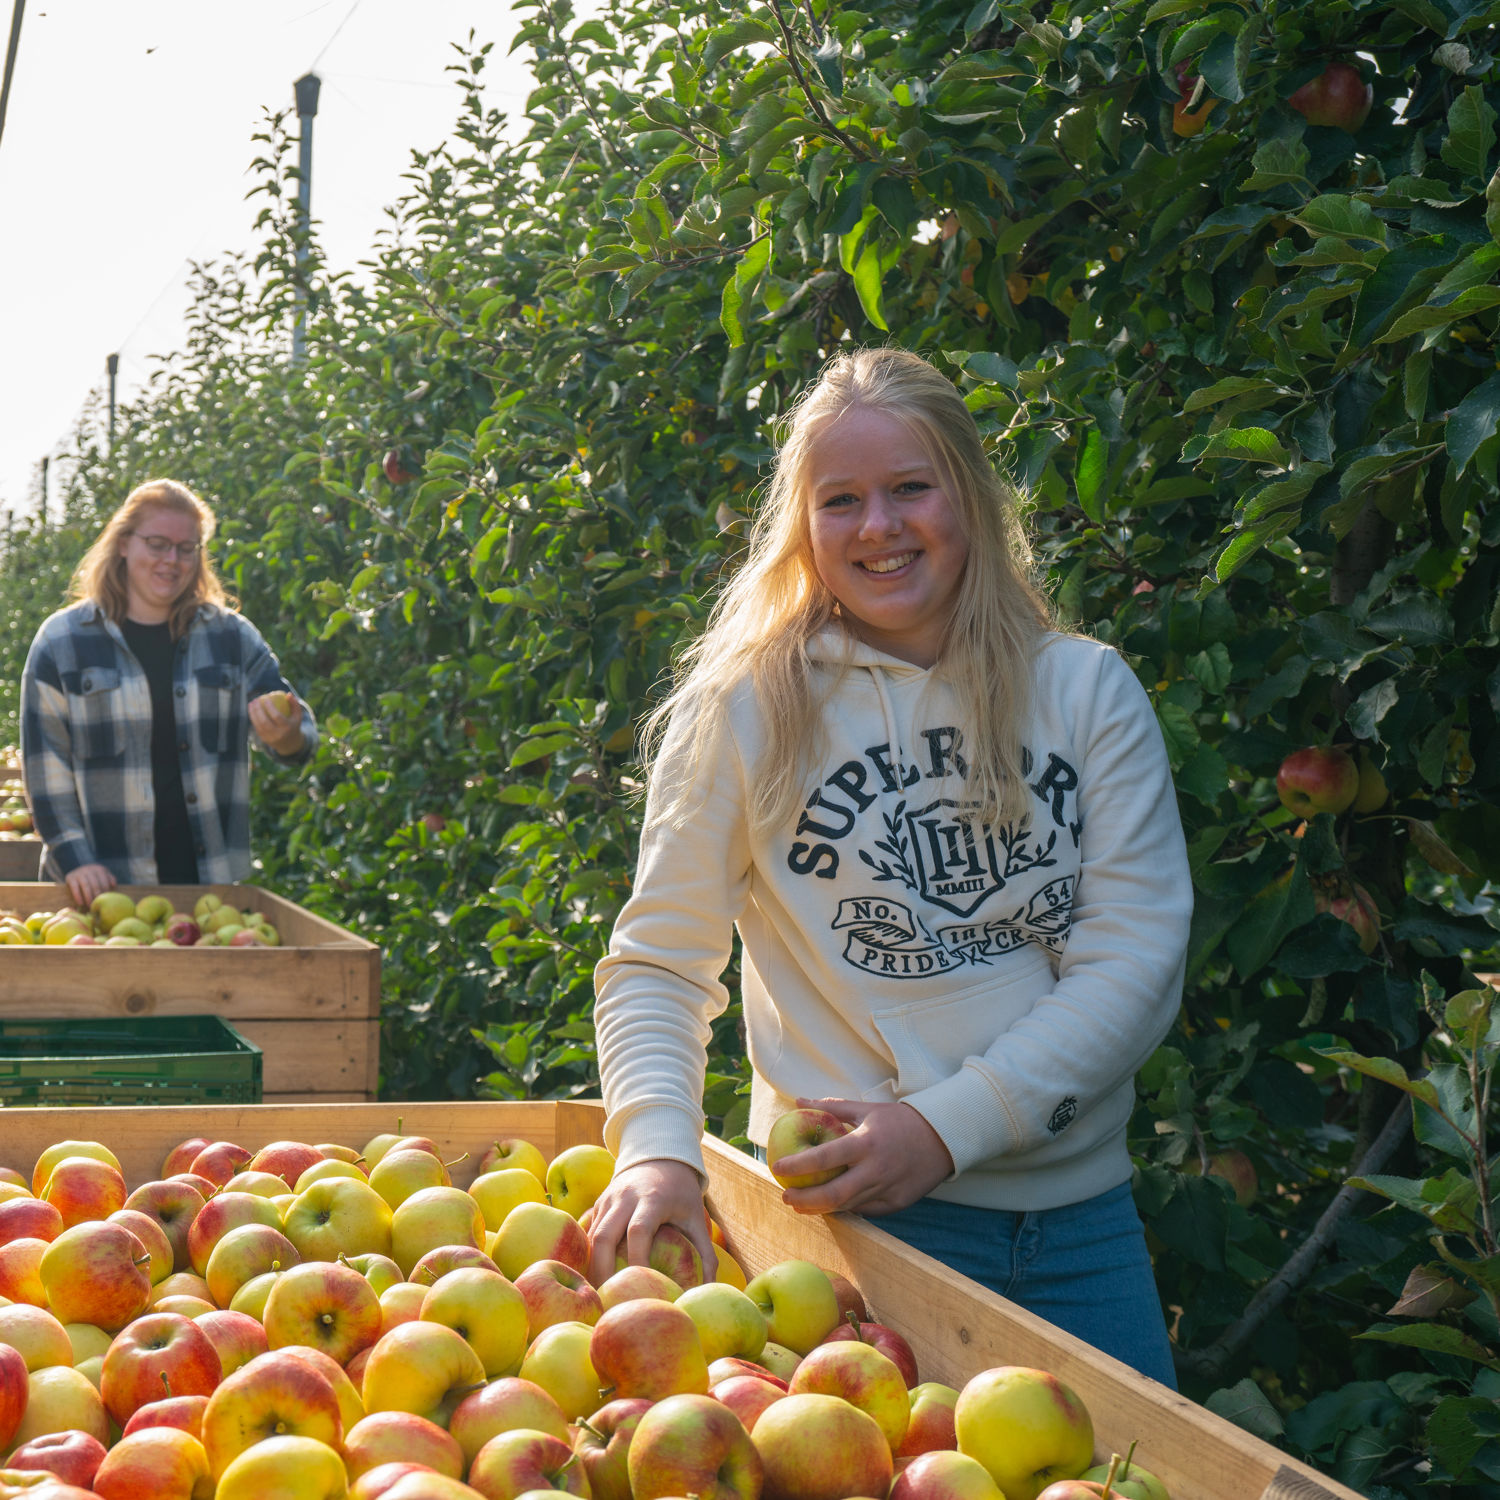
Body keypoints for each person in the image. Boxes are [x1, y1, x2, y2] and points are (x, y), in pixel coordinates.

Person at [587, 348, 1192, 1386]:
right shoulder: (747, 710)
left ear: (970, 495)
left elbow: (1134, 960)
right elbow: (659, 964)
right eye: (841, 500)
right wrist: (656, 1147)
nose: (879, 527)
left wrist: (943, 1129)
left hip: (1081, 1228)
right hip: (854, 1243)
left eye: (911, 488)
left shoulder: (1086, 692)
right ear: (802, 526)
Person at [20, 478, 316, 909]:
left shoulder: (231, 639)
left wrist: (285, 735)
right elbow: (46, 769)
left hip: (207, 895)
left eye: (186, 548)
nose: (172, 560)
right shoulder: (63, 643)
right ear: (124, 544)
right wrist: (74, 859)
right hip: (96, 892)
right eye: (157, 544)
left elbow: (299, 734)